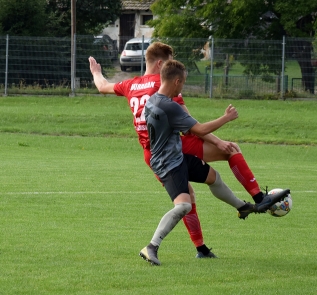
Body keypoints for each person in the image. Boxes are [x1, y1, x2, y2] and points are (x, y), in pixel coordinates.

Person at [88, 42, 289, 259]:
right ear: (161, 65)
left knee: (199, 188)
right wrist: (218, 141)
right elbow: (193, 128)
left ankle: (202, 247)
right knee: (230, 151)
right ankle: (258, 198)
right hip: (171, 148)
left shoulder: (130, 84)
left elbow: (102, 86)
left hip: (150, 152)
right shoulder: (166, 87)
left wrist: (96, 72)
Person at [141, 60, 288, 265]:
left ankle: (243, 206)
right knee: (183, 206)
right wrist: (226, 118)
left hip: (176, 157)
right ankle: (151, 247)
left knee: (214, 178)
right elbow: (199, 130)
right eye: (183, 83)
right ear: (176, 81)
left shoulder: (153, 100)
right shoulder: (169, 106)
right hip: (168, 164)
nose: (182, 86)